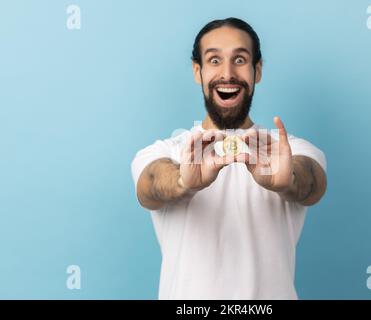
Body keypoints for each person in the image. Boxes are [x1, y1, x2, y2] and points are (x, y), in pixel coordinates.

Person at [131, 17, 327, 300]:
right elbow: (151, 184)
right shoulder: (166, 151)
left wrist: (289, 180)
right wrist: (182, 181)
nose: (227, 73)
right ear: (197, 71)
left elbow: (312, 184)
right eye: (213, 60)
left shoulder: (289, 151)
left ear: (257, 70)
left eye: (240, 59)